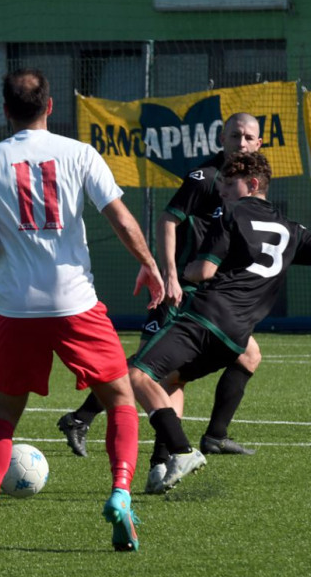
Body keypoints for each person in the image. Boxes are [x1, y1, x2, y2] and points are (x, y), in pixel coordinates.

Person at [0, 69, 164, 551]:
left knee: (3, 413)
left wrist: (4, 256)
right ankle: (120, 494)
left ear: (6, 111)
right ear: (50, 106)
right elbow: (120, 217)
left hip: (15, 307)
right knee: (120, 400)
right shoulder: (80, 153)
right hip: (75, 304)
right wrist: (149, 264)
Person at [130, 150, 311, 492]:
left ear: (253, 184)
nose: (224, 192)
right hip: (236, 339)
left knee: (136, 375)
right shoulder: (293, 230)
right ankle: (163, 462)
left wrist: (183, 271)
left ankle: (181, 451)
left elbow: (204, 271)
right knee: (170, 379)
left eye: (230, 186)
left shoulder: (231, 212)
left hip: (206, 318)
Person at [57, 113, 263, 465]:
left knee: (232, 359)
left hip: (211, 293)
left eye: (247, 137)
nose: (240, 143)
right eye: (234, 136)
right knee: (152, 370)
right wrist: (168, 275)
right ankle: (163, 450)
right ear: (221, 139)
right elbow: (169, 219)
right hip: (184, 290)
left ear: (258, 144)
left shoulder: (249, 184)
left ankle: (205, 439)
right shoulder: (205, 178)